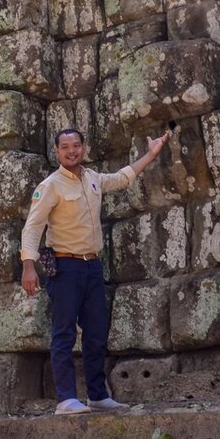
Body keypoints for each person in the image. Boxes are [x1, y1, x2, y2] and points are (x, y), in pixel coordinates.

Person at [20, 127, 172, 415]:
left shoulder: (92, 179)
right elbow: (33, 227)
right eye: (65, 147)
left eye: (76, 145)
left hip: (92, 266)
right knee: (63, 332)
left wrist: (151, 154)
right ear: (57, 151)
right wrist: (29, 265)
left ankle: (97, 395)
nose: (71, 151)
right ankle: (65, 399)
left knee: (96, 332)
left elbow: (123, 177)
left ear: (84, 147)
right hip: (65, 267)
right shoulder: (51, 185)